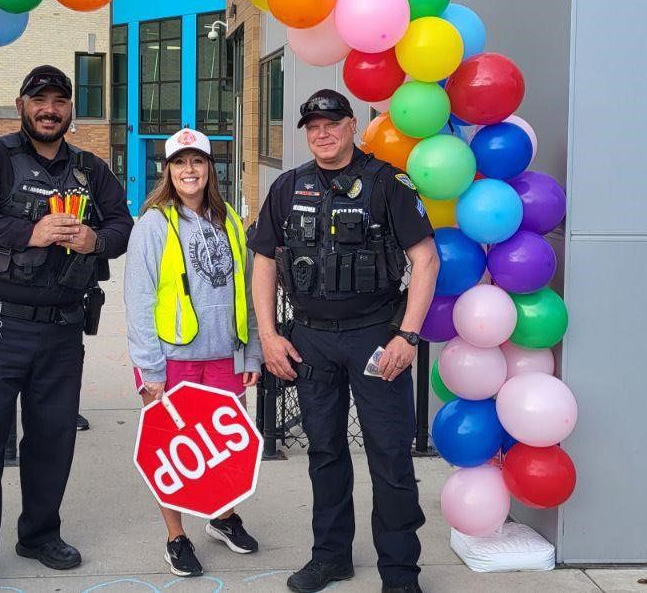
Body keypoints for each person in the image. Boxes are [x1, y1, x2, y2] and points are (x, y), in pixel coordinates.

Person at [0, 65, 134, 593]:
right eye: (40, 100)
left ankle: (40, 535)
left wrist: (95, 240)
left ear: (70, 109)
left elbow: (122, 224)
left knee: (52, 442)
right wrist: (32, 232)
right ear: (21, 106)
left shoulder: (91, 169)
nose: (50, 110)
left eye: (59, 101)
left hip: (62, 331)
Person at [248, 90, 440, 593]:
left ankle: (400, 572)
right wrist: (268, 335)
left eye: (331, 123)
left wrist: (408, 335)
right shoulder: (289, 186)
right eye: (313, 126)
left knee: (390, 456)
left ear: (352, 125)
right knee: (325, 453)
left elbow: (426, 259)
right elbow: (264, 259)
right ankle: (330, 557)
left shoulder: (388, 184)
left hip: (376, 338)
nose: (322, 133)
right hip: (310, 339)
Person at [124, 128, 265, 578]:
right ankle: (176, 538)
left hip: (224, 355)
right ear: (167, 170)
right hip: (171, 360)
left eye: (197, 161)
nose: (189, 170)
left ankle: (222, 518)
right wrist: (150, 368)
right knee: (172, 452)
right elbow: (138, 299)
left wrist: (252, 353)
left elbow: (248, 293)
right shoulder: (153, 224)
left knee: (223, 449)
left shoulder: (230, 222)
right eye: (180, 162)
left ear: (210, 168)